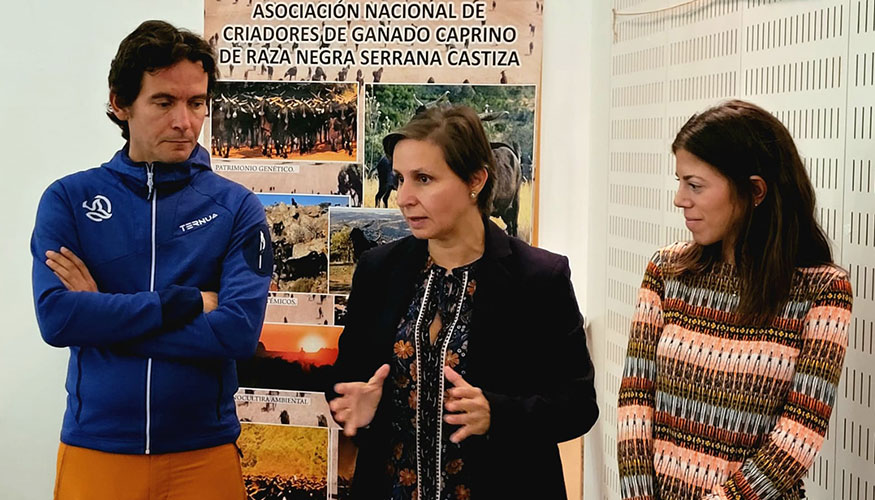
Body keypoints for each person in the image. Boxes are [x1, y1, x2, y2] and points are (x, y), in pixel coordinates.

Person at [30, 20, 272, 500]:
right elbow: (58, 319)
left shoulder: (239, 207)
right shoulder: (68, 199)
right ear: (121, 104)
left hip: (203, 452)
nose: (185, 121)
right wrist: (179, 304)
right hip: (97, 450)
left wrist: (103, 313)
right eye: (164, 102)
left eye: (197, 102)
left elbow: (237, 333)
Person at [328, 105, 598, 499]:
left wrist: (498, 414)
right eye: (401, 179)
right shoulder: (378, 270)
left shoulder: (539, 279)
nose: (403, 197)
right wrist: (354, 401)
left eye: (423, 179)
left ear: (476, 180)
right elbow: (345, 376)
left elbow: (577, 405)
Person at [616, 100, 853, 500]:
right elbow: (635, 400)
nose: (679, 199)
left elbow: (799, 436)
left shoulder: (822, 291)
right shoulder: (665, 271)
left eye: (695, 184)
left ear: (755, 190)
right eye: (680, 182)